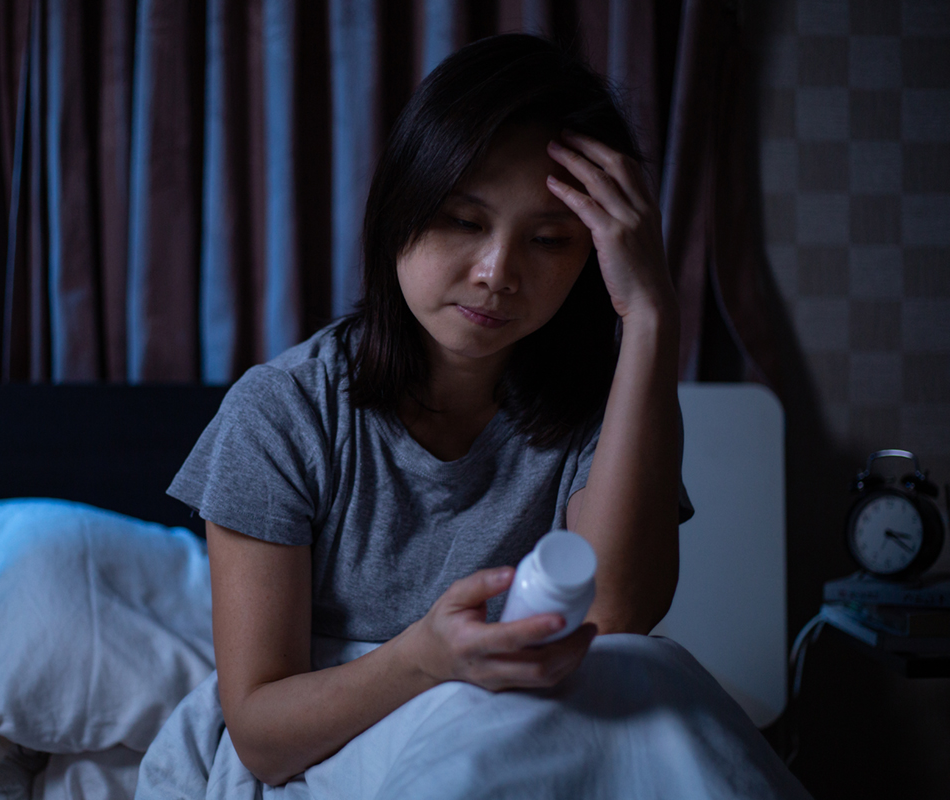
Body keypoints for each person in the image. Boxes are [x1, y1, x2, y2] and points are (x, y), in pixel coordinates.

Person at [139, 33, 808, 800]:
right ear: (400, 209)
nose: (497, 273)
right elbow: (260, 737)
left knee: (651, 674)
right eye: (464, 221)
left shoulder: (604, 412)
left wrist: (651, 313)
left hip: (540, 730)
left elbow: (619, 616)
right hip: (339, 735)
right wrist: (426, 659)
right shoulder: (283, 414)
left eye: (548, 240)